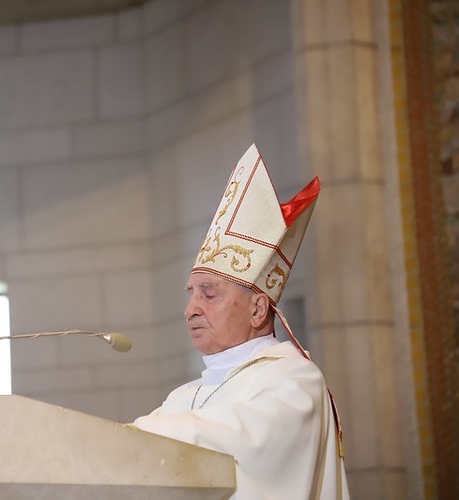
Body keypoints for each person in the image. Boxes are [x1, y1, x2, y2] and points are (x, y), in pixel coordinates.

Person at [133, 144, 350, 499]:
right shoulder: (181, 399)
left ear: (257, 309)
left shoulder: (294, 380)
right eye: (190, 293)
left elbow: (246, 438)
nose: (190, 308)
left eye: (209, 293)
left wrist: (142, 433)